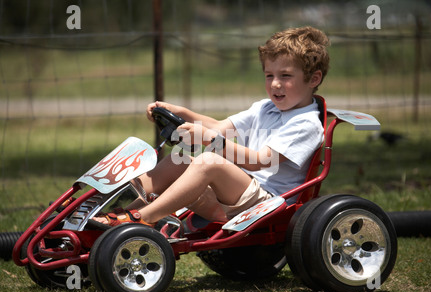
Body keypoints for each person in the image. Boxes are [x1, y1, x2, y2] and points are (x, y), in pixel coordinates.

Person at [94, 26, 330, 227]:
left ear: (313, 79)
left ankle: (140, 219)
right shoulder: (265, 108)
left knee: (209, 161)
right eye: (269, 75)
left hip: (271, 204)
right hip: (239, 193)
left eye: (286, 76)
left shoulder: (305, 123)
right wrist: (180, 113)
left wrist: (210, 140)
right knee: (179, 159)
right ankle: (113, 213)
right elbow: (219, 126)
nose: (275, 84)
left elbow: (260, 160)